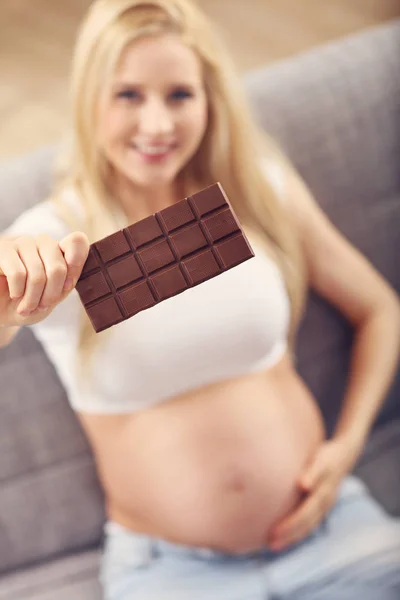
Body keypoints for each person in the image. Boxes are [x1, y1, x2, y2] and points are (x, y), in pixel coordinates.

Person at [1, 0, 400, 598]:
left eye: (180, 95)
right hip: (170, 572)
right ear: (88, 98)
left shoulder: (258, 189)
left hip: (332, 532)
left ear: (210, 99)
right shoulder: (52, 236)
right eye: (128, 95)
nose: (157, 125)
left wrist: (348, 446)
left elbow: (380, 309)